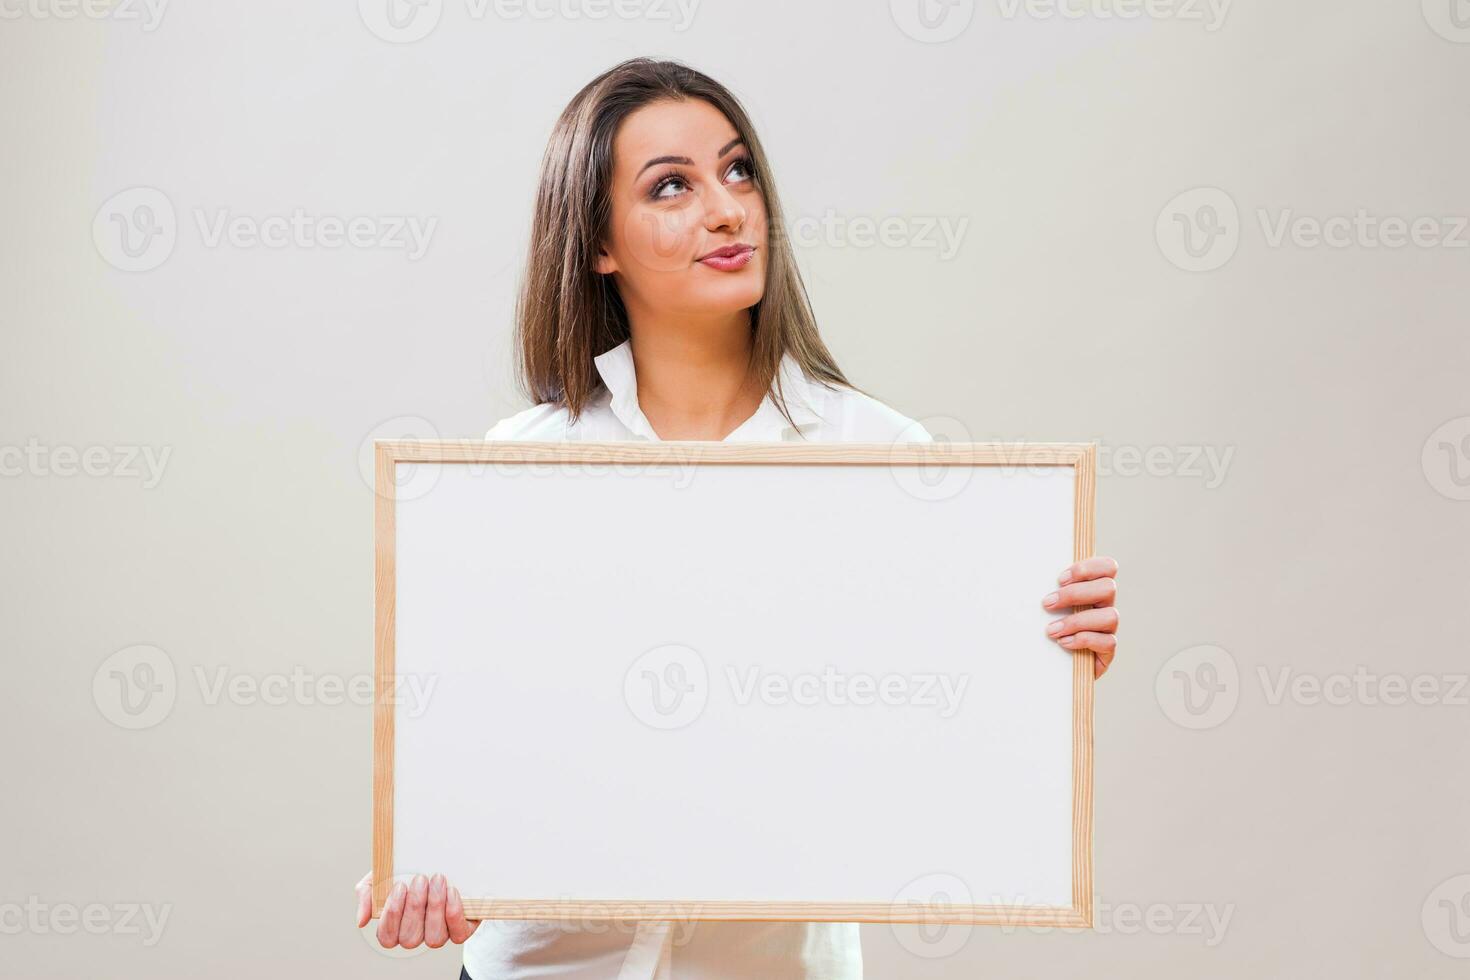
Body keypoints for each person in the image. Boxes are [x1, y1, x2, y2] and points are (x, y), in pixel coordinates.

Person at [355, 56, 1121, 979]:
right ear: (597, 241)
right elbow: (473, 737)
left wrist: (1043, 664)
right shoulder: (521, 462)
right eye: (671, 186)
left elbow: (939, 735)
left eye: (738, 170)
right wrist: (425, 860)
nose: (726, 209)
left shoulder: (881, 457)